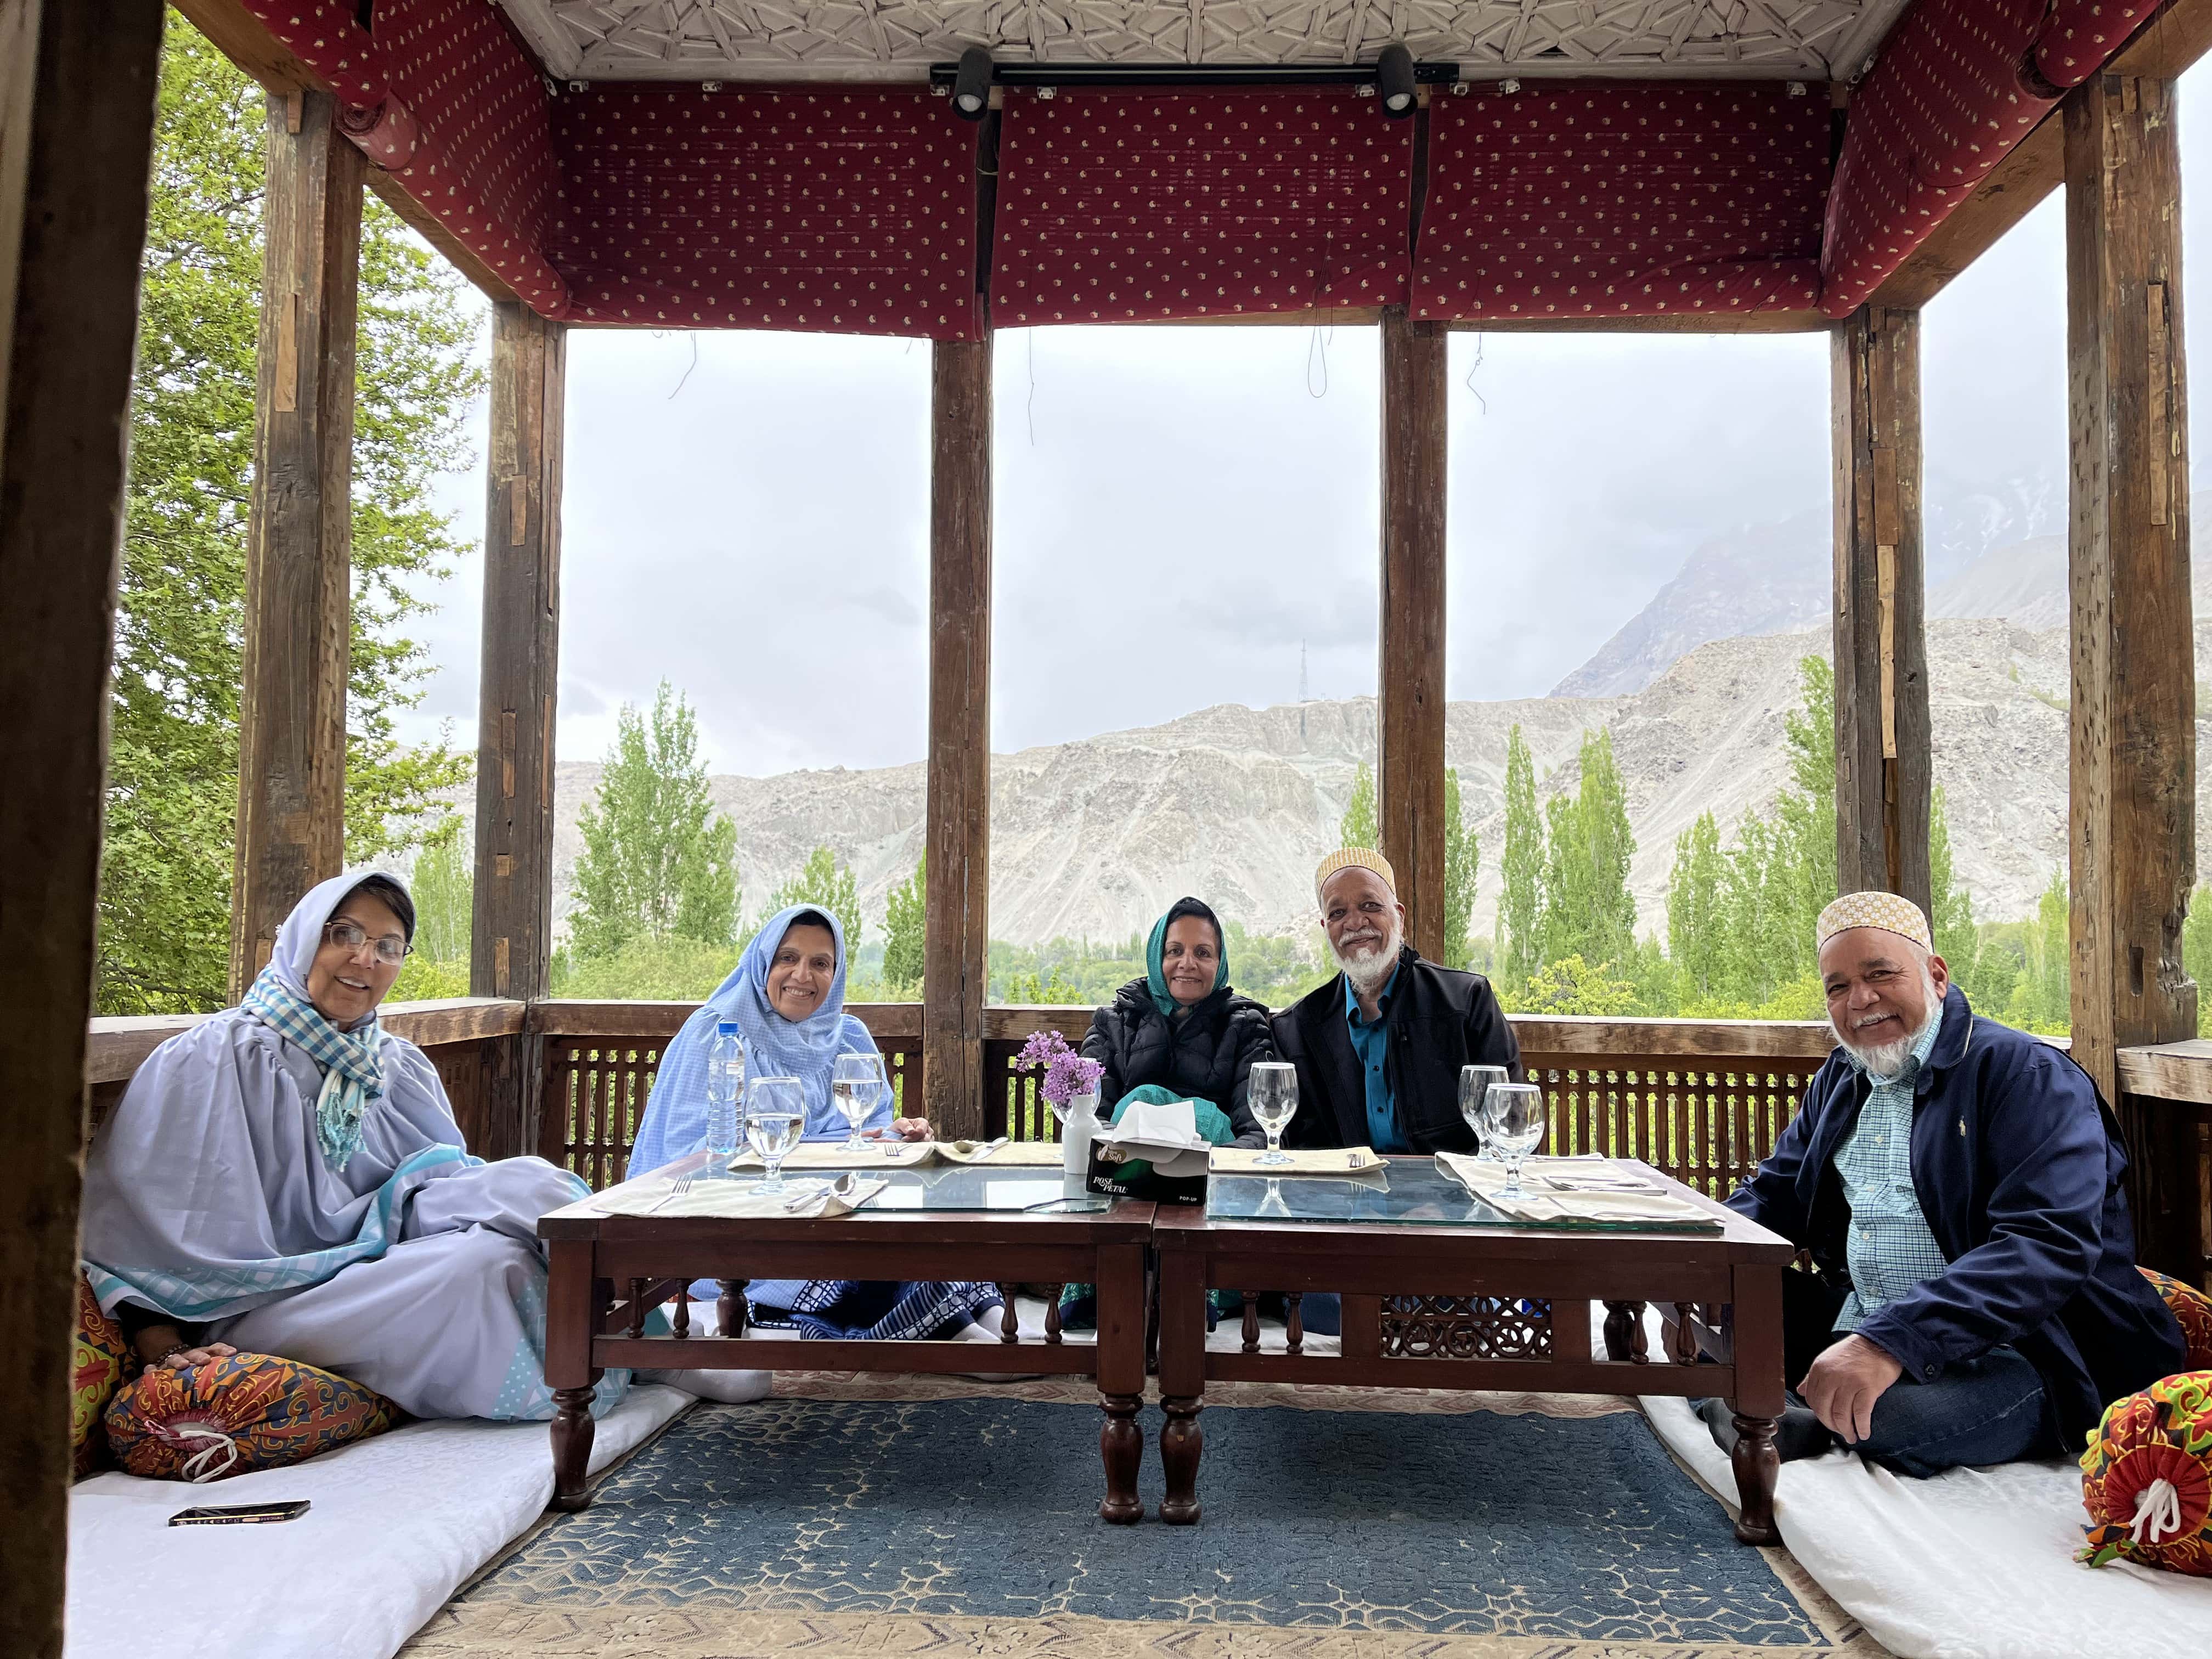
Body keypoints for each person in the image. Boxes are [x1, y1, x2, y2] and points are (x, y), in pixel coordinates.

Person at [80, 871, 763, 1420]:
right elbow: (148, 1226)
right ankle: (645, 1354)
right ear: (300, 941)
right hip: (261, 1304)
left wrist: (506, 1194)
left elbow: (426, 1192)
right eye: (344, 934)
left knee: (516, 1214)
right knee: (466, 1275)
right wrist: (156, 1336)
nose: (365, 958)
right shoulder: (212, 1059)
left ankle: (637, 1332)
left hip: (374, 1267)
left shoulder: (394, 1065)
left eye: (388, 945)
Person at [1708, 891, 2186, 1476]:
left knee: (1891, 1421)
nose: (1860, 1000)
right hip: (1872, 1315)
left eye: (1880, 974)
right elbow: (1775, 1195)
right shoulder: (1843, 1076)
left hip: (2032, 1348)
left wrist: (1892, 1342)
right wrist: (1696, 1247)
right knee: (1720, 1301)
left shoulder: (2027, 1075)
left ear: (1936, 976)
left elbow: (2045, 1245)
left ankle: (1762, 1407)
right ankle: (1781, 1407)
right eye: (1838, 987)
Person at [629, 904, 1005, 1344]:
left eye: (821, 964)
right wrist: (815, 1154)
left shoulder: (848, 1038)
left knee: (924, 1233)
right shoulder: (718, 1034)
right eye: (787, 958)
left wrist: (895, 1137)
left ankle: (993, 1319)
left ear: (837, 973)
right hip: (750, 1225)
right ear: (762, 963)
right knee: (866, 1261)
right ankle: (959, 1333)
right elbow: (688, 1158)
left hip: (838, 1212)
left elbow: (862, 1141)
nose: (802, 976)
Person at [1272, 848, 1522, 1155]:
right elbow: (1300, 1145)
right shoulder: (1298, 1027)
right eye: (1337, 913)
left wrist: (1446, 1187)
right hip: (1347, 1185)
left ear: (1399, 916)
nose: (1355, 922)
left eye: (1370, 905)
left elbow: (1509, 1121)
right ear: (1326, 929)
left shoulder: (1467, 1001)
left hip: (1454, 1181)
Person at [1079, 895, 1274, 1146]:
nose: (1188, 964)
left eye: (1203, 953)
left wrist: (1203, 1164)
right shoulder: (1113, 1024)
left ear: (1220, 962)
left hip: (1213, 1167)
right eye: (1175, 951)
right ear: (1157, 957)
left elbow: (1259, 1131)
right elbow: (1089, 1117)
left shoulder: (1246, 1028)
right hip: (1125, 1165)